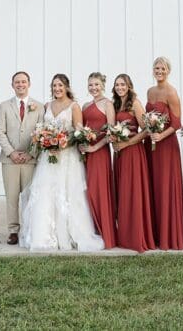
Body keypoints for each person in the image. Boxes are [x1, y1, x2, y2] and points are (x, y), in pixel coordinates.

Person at [19, 74, 104, 252]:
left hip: (67, 159)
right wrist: (45, 141)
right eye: (54, 86)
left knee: (68, 194)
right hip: (48, 159)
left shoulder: (74, 107)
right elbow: (42, 129)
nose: (57, 89)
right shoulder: (47, 106)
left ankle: (70, 235)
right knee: (45, 194)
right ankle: (44, 235)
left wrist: (63, 144)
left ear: (66, 87)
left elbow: (78, 133)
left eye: (60, 85)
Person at [0, 71, 45, 245]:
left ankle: (29, 227)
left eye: (24, 82)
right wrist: (11, 152)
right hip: (10, 159)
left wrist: (30, 153)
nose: (20, 85)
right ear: (12, 85)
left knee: (30, 195)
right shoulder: (4, 106)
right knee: (12, 196)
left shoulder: (39, 106)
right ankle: (13, 231)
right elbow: (0, 131)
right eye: (17, 82)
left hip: (30, 159)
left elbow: (41, 132)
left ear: (29, 84)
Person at [111, 73, 155, 252]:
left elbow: (146, 129)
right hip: (120, 153)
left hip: (133, 151)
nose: (120, 87)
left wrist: (127, 143)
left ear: (129, 86)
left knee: (133, 192)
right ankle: (125, 235)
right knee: (123, 192)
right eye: (117, 85)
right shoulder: (115, 104)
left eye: (123, 84)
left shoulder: (135, 103)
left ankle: (136, 236)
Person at [145, 56, 183, 250]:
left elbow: (177, 123)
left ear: (168, 71)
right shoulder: (150, 91)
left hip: (166, 144)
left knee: (165, 186)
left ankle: (169, 235)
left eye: (162, 68)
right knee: (153, 185)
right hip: (151, 143)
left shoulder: (171, 92)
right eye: (156, 68)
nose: (159, 71)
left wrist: (162, 135)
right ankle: (155, 233)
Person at [80, 72, 117, 249]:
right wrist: (81, 143)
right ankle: (90, 229)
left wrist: (95, 147)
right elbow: (81, 127)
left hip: (100, 153)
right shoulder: (85, 105)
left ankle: (105, 233)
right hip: (86, 153)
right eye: (90, 85)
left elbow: (111, 133)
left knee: (98, 190)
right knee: (87, 190)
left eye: (96, 84)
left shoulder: (108, 104)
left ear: (102, 85)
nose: (93, 88)